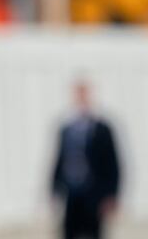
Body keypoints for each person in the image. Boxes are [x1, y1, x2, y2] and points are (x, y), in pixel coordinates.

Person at [51, 80, 121, 239]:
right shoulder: (67, 129)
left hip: (94, 194)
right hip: (72, 193)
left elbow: (113, 163)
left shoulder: (102, 129)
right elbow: (59, 160)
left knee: (93, 233)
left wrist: (112, 194)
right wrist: (54, 189)